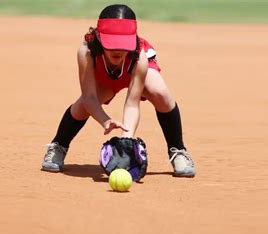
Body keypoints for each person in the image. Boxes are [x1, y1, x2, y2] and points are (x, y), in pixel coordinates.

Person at [41, 4, 196, 177]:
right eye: (112, 43)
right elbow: (89, 97)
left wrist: (126, 138)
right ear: (99, 37)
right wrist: (105, 121)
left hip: (133, 71)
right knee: (82, 107)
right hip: (105, 80)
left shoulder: (139, 56)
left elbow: (132, 103)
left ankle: (178, 150)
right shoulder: (87, 51)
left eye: (122, 44)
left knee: (161, 93)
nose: (117, 50)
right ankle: (58, 146)